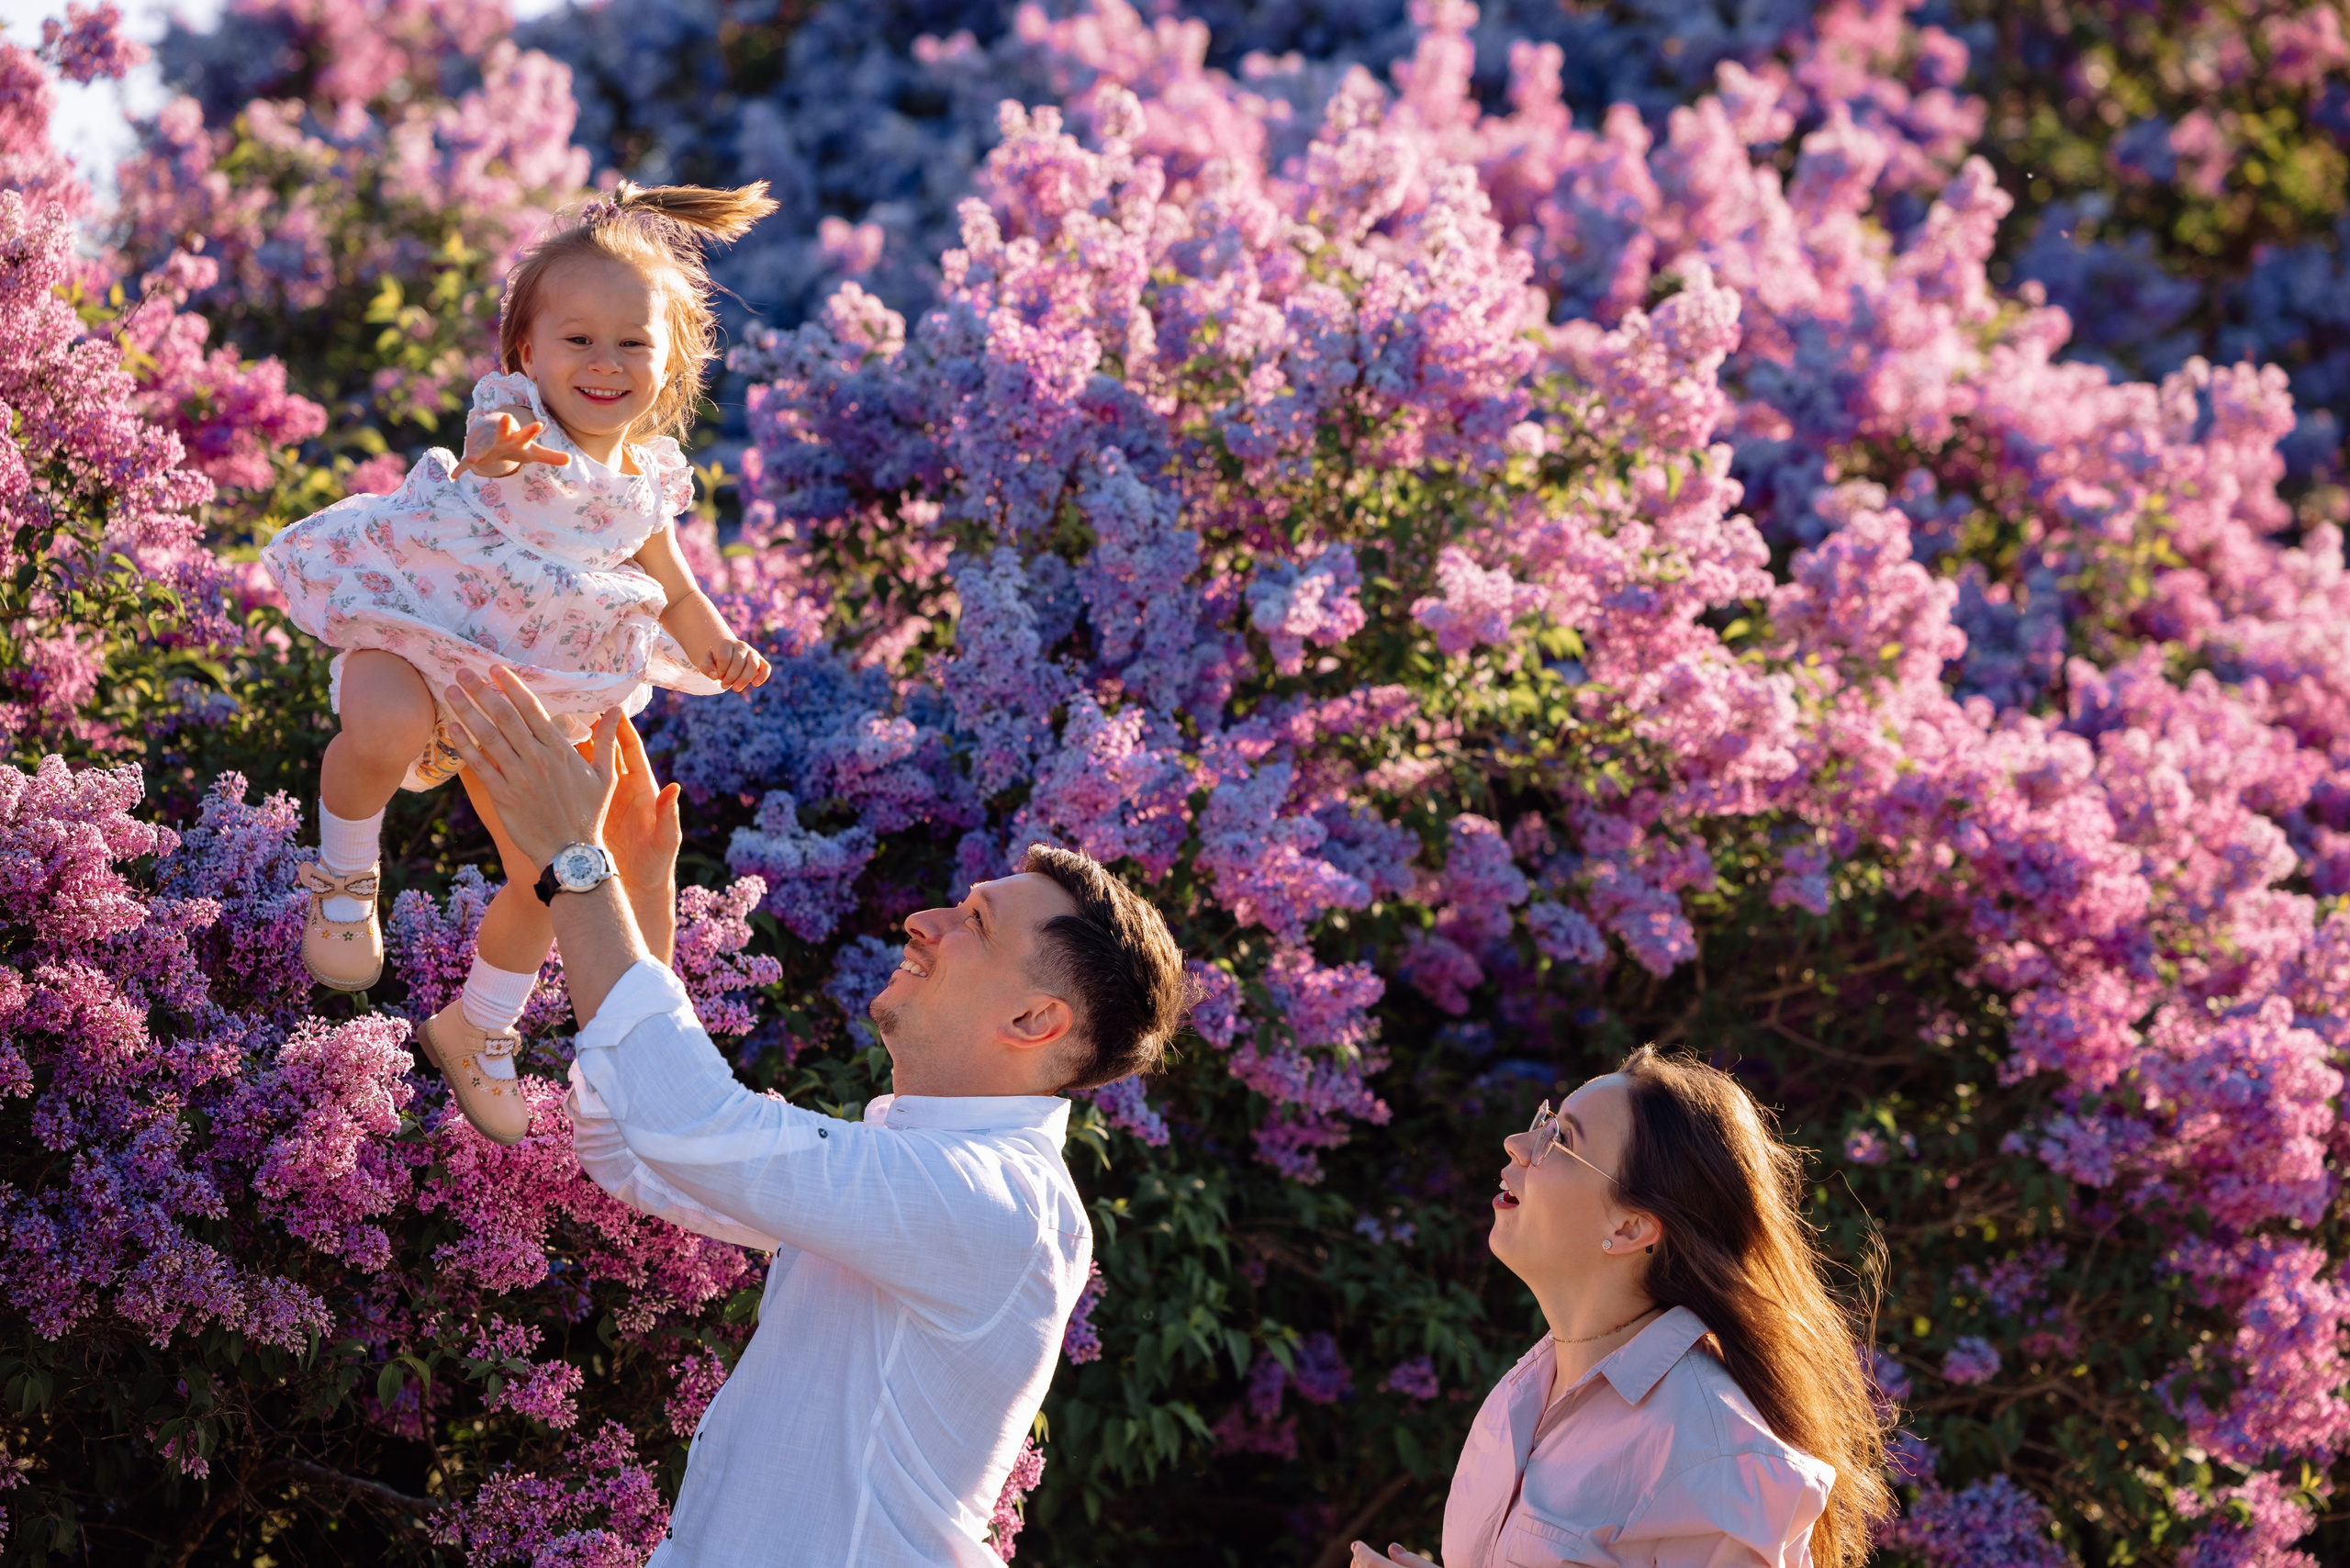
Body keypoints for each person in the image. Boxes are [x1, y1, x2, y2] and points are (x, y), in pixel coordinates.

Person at [437, 666, 1194, 1567]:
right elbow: (639, 1152)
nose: (920, 920)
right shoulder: (930, 1176)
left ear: (1035, 1022)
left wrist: (576, 861)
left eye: (974, 924)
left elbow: (694, 1126)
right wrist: (634, 886)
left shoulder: (998, 1205)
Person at [258, 181, 778, 1147]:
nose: (605, 361)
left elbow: (673, 587)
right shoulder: (513, 422)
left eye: (632, 342)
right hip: (423, 632)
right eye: (576, 339)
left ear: (669, 364)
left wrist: (722, 646)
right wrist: (493, 453)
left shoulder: (646, 484)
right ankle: (342, 880)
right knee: (380, 725)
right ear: (525, 353)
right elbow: (486, 454)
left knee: (559, 867)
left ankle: (479, 1025)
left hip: (532, 690)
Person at [1354, 1052, 1893, 1568]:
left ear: (1630, 1227)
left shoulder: (1716, 1455)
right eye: (1545, 1122)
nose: (1517, 1143)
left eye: (1559, 1140)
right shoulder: (1529, 1388)